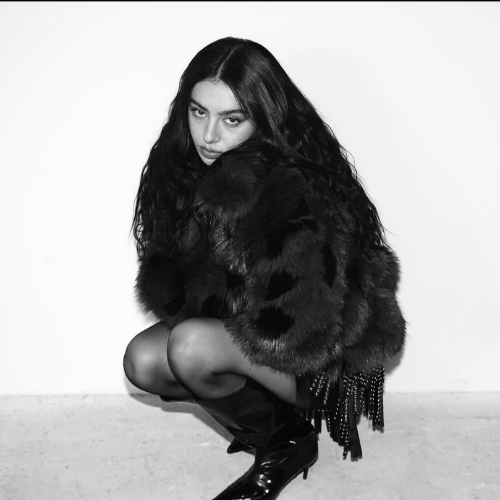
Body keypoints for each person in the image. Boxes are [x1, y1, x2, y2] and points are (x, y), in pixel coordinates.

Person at [123, 37, 406, 500]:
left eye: (231, 119)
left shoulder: (288, 190)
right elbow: (181, 293)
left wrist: (214, 319)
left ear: (263, 119)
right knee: (144, 360)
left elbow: (299, 331)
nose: (209, 135)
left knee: (191, 347)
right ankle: (276, 431)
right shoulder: (183, 169)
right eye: (198, 112)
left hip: (320, 359)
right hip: (253, 338)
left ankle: (287, 447)